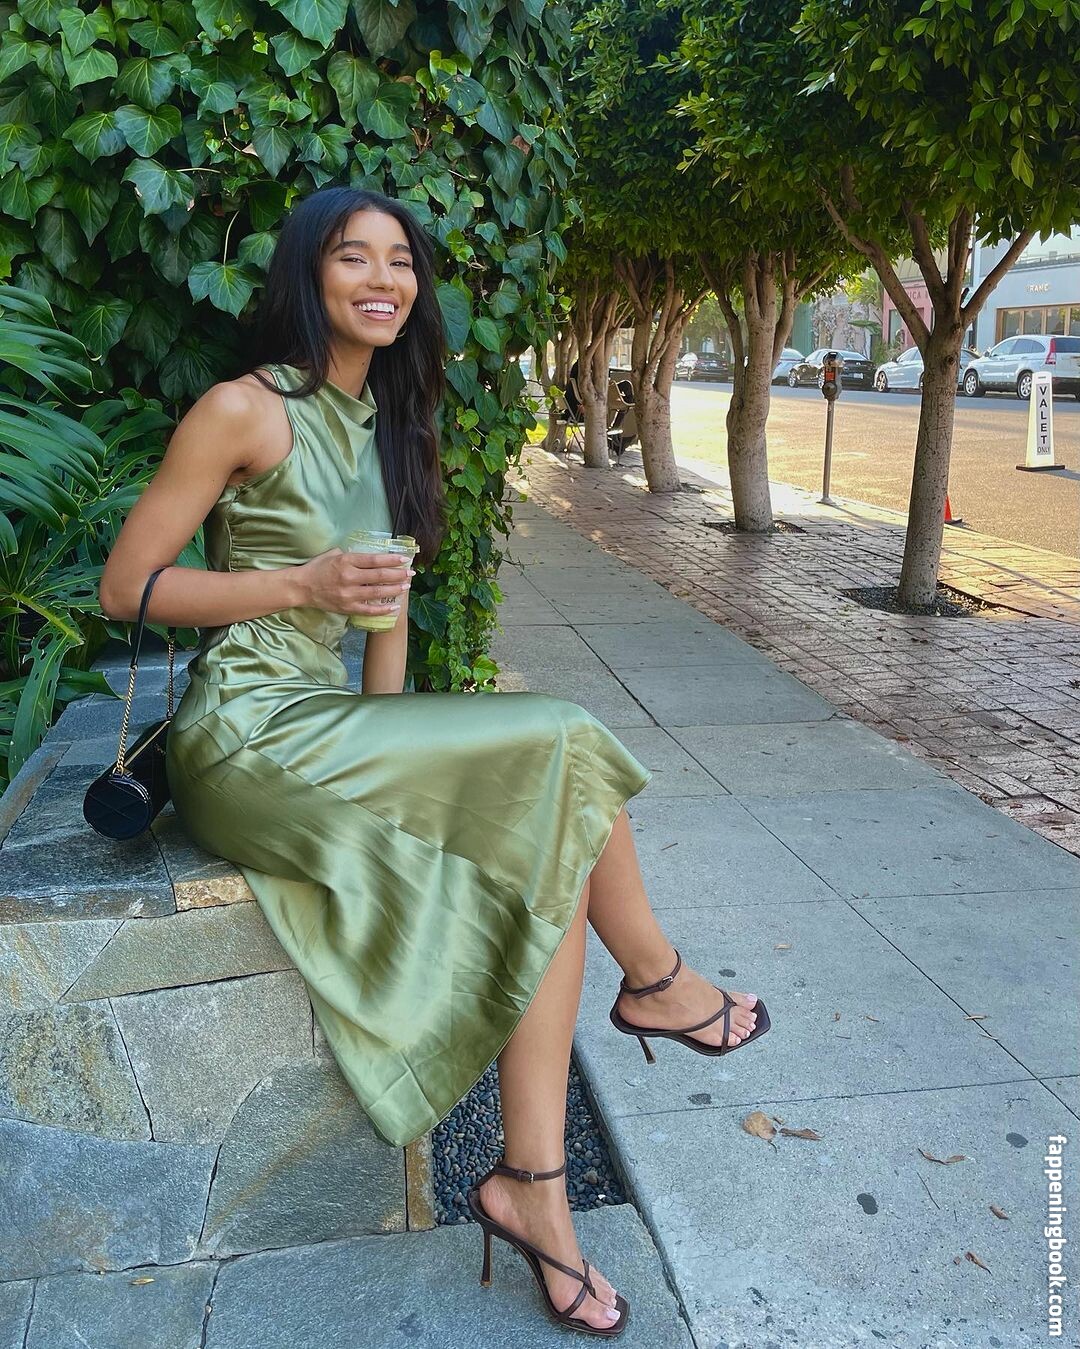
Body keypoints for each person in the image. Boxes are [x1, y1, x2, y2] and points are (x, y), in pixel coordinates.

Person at [99, 187, 770, 1337]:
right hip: (245, 734)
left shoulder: (389, 422)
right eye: (352, 257)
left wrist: (404, 765)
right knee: (565, 736)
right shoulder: (244, 409)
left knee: (549, 831)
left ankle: (532, 1187)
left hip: (331, 735)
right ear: (308, 276)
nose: (383, 278)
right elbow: (128, 586)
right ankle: (655, 981)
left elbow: (386, 619)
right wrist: (299, 583)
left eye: (400, 261)